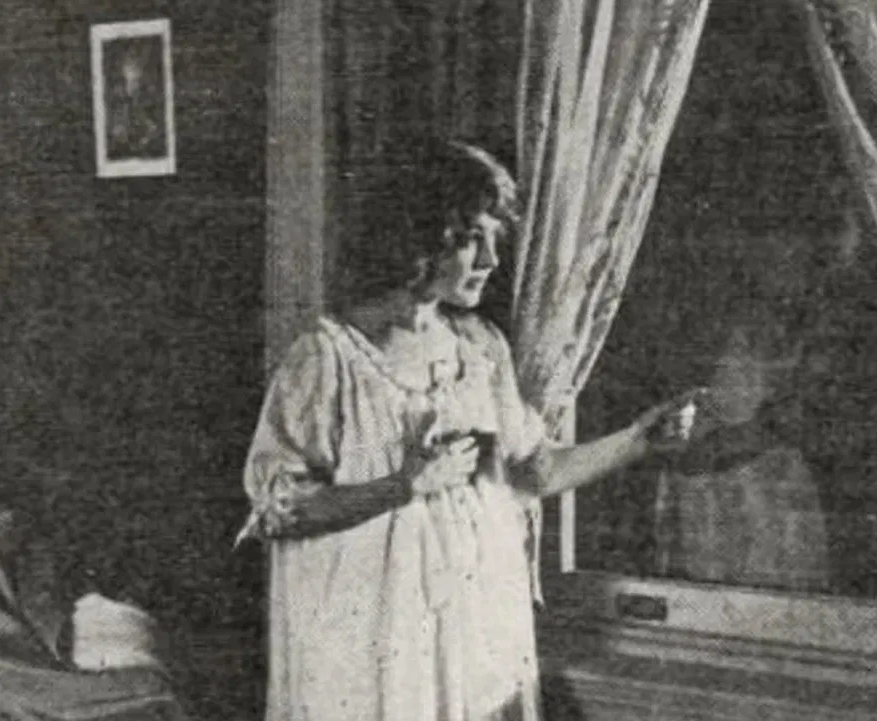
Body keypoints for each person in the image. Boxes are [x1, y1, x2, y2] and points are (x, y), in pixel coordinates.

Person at [236, 140, 701, 721]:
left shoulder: (480, 349)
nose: (491, 260)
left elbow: (534, 471)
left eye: (493, 238)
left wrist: (638, 440)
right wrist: (401, 486)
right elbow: (277, 510)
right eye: (470, 238)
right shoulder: (327, 360)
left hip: (474, 628)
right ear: (417, 238)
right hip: (375, 639)